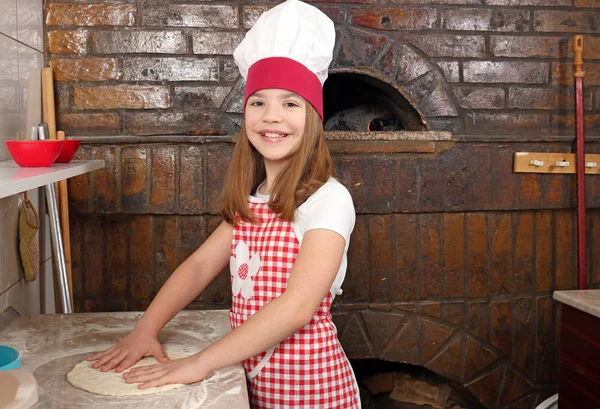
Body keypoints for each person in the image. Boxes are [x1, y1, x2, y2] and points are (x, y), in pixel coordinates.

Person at [87, 0, 360, 407]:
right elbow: (198, 267)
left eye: (290, 103)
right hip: (253, 383)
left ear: (314, 117)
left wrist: (199, 363)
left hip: (311, 392)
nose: (272, 116)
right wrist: (147, 328)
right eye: (258, 102)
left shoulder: (328, 199)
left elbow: (298, 307)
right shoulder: (254, 199)